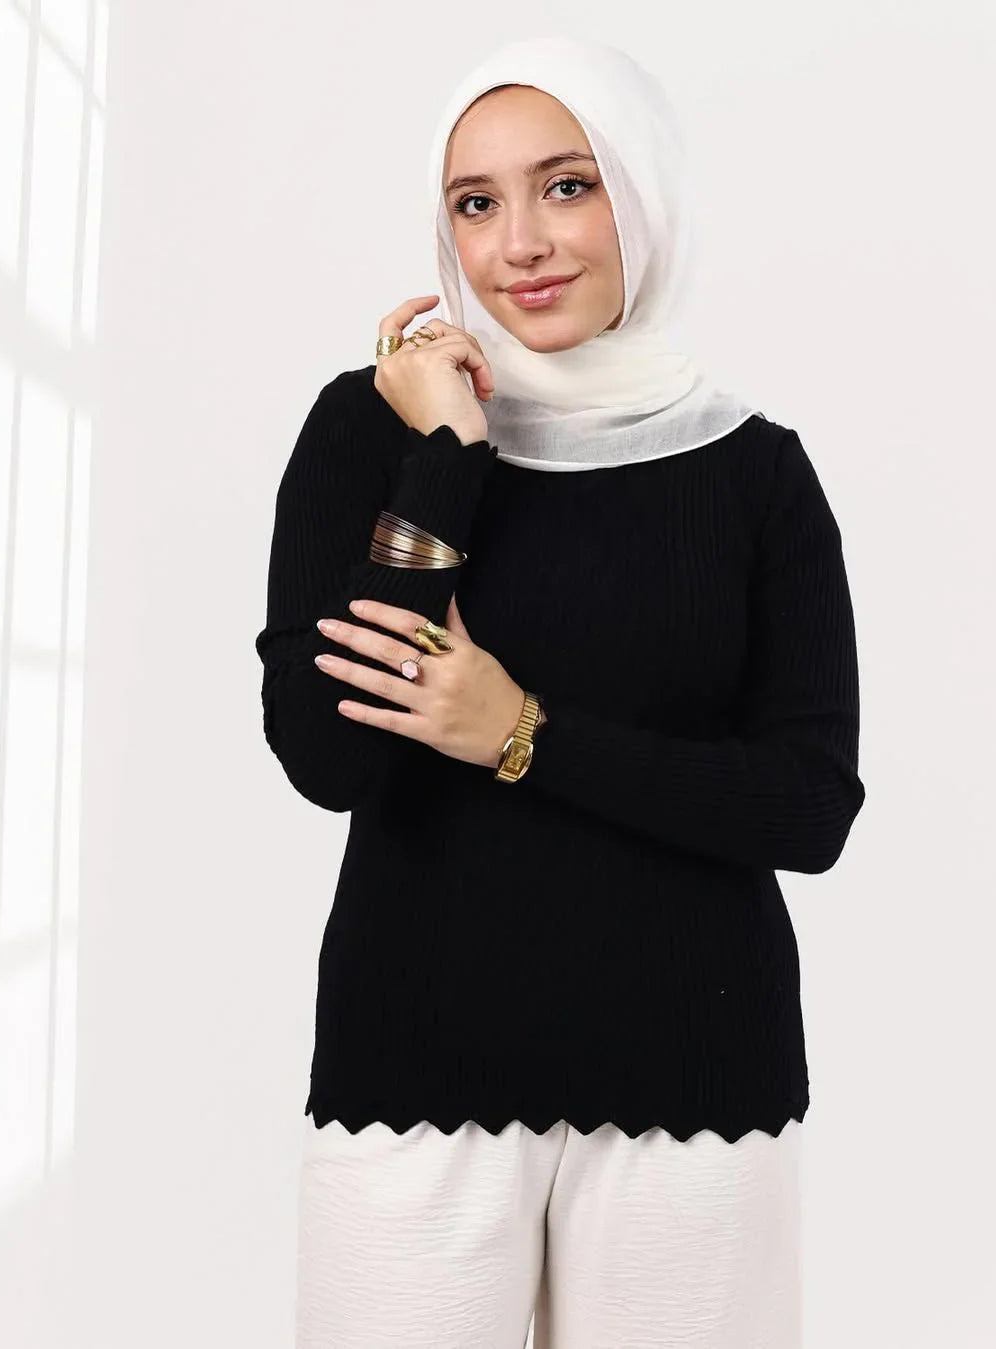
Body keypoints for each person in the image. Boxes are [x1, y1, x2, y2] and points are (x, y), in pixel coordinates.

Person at [254, 35, 866, 1349]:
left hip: (694, 1078)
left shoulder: (754, 472)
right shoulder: (374, 430)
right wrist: (445, 458)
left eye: (568, 186)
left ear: (637, 196)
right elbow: (330, 755)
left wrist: (524, 737)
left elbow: (807, 806)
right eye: (476, 204)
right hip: (413, 1071)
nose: (521, 242)